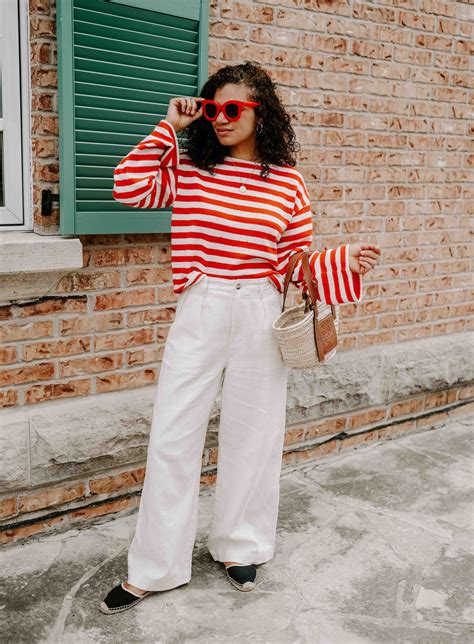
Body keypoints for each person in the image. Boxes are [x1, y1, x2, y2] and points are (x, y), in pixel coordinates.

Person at [100, 61, 381, 614]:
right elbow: (127, 187)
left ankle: (240, 545)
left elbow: (293, 260)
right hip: (201, 304)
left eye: (233, 109)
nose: (221, 118)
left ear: (261, 112)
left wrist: (339, 259)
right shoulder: (191, 169)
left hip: (259, 306)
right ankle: (155, 568)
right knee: (173, 434)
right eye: (213, 108)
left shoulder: (287, 181)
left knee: (254, 432)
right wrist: (169, 126)